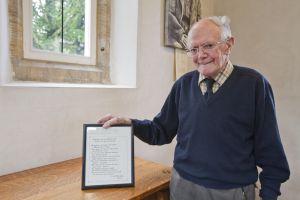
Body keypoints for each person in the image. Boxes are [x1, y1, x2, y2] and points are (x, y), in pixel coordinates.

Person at [97, 16, 290, 200]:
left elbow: (271, 152)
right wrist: (129, 123)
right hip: (183, 186)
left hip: (231, 191)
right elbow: (160, 131)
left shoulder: (254, 84)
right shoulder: (183, 85)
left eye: (208, 46)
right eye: (194, 49)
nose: (201, 55)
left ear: (228, 44)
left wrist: (269, 194)